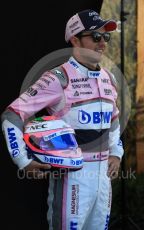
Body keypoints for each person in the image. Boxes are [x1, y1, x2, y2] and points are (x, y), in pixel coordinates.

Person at [1, 9, 124, 230]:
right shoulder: (58, 77)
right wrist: (22, 159)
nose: (102, 43)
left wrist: (116, 152)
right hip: (72, 179)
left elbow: (114, 119)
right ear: (75, 40)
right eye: (95, 37)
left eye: (106, 37)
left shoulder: (109, 77)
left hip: (103, 179)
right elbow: (12, 115)